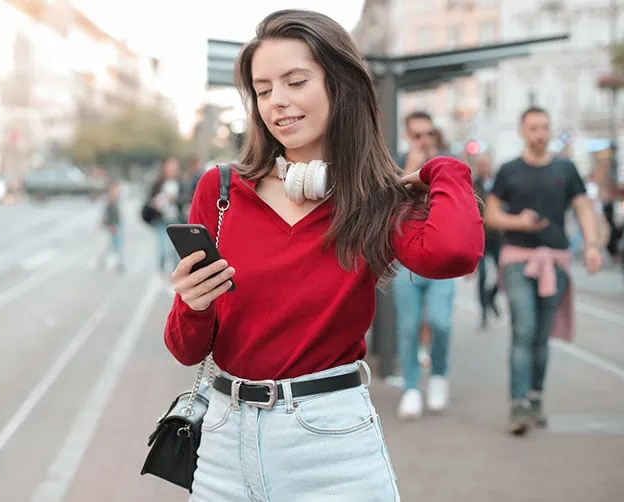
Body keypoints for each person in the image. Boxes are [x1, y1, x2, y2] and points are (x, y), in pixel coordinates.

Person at [162, 9, 483, 500]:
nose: (277, 101)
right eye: (263, 90)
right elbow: (186, 349)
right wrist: (192, 302)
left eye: (295, 82)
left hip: (332, 448)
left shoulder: (376, 200)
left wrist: (444, 170)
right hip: (224, 446)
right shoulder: (221, 192)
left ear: (340, 85)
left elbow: (454, 254)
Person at [486, 106, 603, 436]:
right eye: (534, 128)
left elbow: (583, 208)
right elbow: (490, 215)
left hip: (556, 261)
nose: (540, 133)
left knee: (541, 335)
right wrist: (518, 222)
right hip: (517, 259)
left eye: (544, 127)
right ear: (522, 131)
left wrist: (592, 245)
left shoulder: (566, 169)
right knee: (524, 328)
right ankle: (518, 405)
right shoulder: (509, 170)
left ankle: (535, 398)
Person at [392, 113, 460, 419]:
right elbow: (389, 205)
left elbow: (461, 206)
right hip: (406, 259)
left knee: (440, 321)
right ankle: (411, 387)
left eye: (428, 134)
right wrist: (410, 170)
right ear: (408, 137)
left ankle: (439, 374)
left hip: (441, 258)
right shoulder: (397, 163)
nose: (423, 140)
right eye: (417, 135)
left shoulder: (446, 164)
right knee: (408, 326)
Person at [472, 153, 502, 329]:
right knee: (482, 275)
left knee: (502, 275)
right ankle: (483, 311)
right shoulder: (473, 184)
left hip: (497, 237)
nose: (484, 167)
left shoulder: (497, 183)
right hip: (481, 238)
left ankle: (491, 297)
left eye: (486, 164)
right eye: (481, 164)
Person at [97, 180, 124, 273]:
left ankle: (119, 263)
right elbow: (107, 215)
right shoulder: (109, 202)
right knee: (112, 245)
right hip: (113, 226)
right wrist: (110, 225)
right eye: (115, 190)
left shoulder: (116, 200)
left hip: (118, 225)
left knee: (117, 245)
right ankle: (115, 262)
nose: (117, 191)